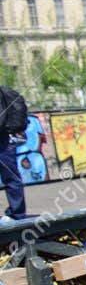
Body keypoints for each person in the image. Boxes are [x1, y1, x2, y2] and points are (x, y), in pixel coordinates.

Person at [0, 81, 33, 223]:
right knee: (11, 177)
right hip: (5, 139)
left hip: (2, 139)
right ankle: (16, 213)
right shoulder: (4, 91)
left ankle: (17, 214)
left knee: (11, 177)